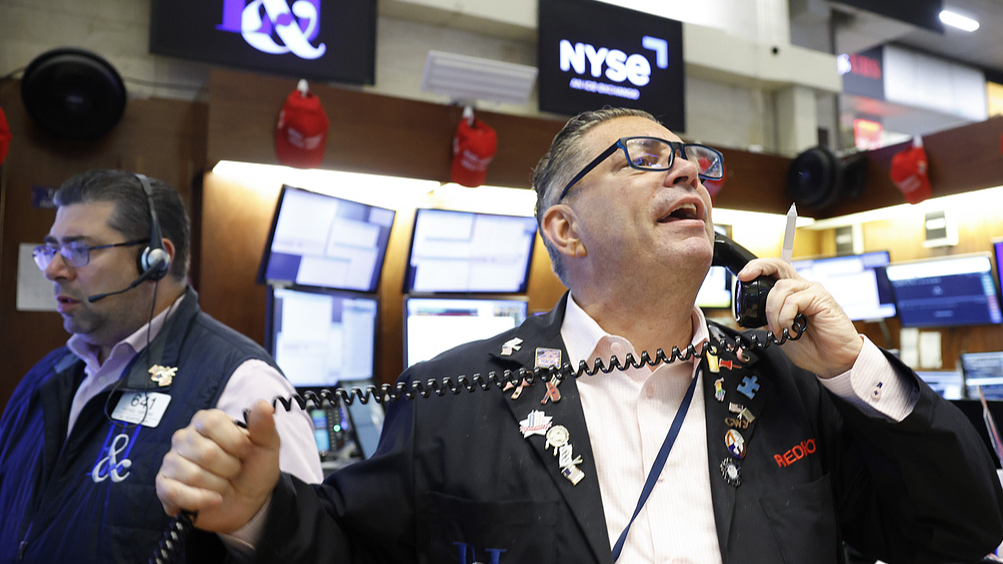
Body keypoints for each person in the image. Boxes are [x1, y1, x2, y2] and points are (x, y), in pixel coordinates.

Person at [156, 109, 1003, 563]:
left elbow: (959, 531)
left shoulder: (783, 382)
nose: (685, 171)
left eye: (692, 161)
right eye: (642, 155)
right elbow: (353, 549)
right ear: (564, 228)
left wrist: (855, 369)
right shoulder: (453, 392)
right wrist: (258, 517)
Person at [0, 170, 323, 564]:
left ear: (156, 261)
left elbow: (308, 550)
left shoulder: (245, 386)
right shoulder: (45, 376)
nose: (54, 269)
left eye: (79, 250)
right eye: (51, 249)